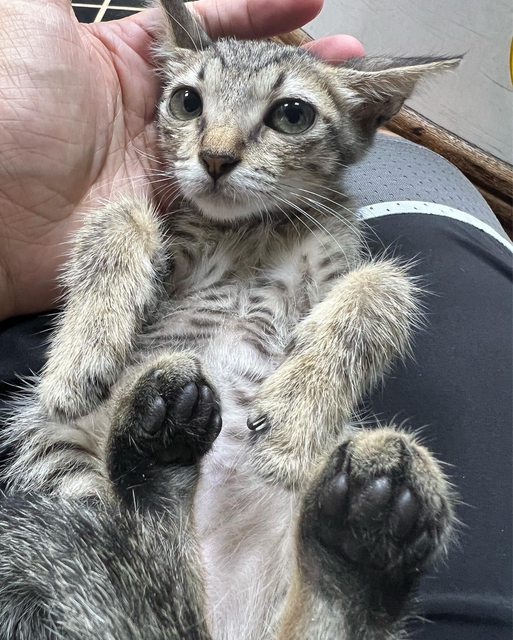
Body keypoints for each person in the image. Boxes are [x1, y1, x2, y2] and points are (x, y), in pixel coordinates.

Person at [0, 2, 511, 639]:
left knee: (384, 286)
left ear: (364, 121)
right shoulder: (168, 225)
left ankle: (160, 517)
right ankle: (325, 606)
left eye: (289, 115)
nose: (217, 149)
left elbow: (364, 302)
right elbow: (85, 365)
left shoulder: (329, 238)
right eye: (190, 103)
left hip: (225, 525)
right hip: (102, 479)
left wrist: (363, 322)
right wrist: (114, 253)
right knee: (120, 227)